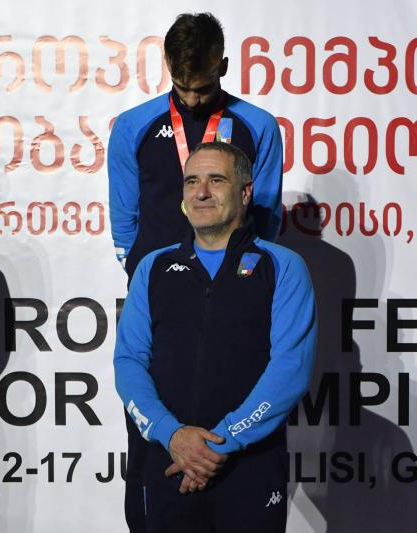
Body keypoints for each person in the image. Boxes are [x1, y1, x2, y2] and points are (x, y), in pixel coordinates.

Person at [107, 12, 284, 531]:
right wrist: (152, 277)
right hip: (162, 296)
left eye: (202, 88)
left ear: (223, 66)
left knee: (238, 416)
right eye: (181, 86)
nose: (190, 98)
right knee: (150, 431)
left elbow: (266, 219)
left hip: (236, 294)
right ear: (166, 64)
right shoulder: (134, 126)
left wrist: (234, 280)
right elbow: (125, 224)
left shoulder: (258, 125)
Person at [114, 142, 316, 532]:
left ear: (245, 192)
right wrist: (172, 435)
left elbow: (290, 369)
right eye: (192, 181)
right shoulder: (152, 267)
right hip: (165, 463)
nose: (201, 192)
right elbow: (129, 362)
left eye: (216, 180)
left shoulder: (283, 267)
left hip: (248, 470)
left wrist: (218, 443)